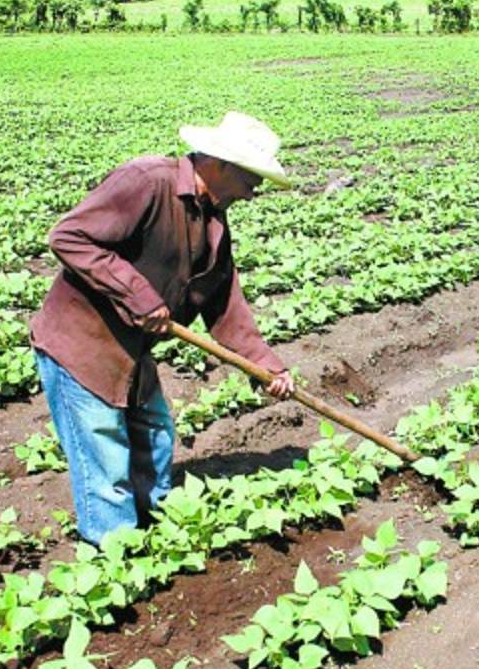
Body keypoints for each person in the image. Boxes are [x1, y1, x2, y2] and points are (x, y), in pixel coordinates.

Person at [29, 112, 296, 546]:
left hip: (133, 349)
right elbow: (68, 236)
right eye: (252, 177)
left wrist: (266, 366)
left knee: (154, 437)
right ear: (222, 164)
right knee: (105, 458)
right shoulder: (146, 182)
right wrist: (138, 294)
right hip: (83, 343)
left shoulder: (213, 219)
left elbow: (224, 302)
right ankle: (114, 557)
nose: (255, 190)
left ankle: (158, 533)